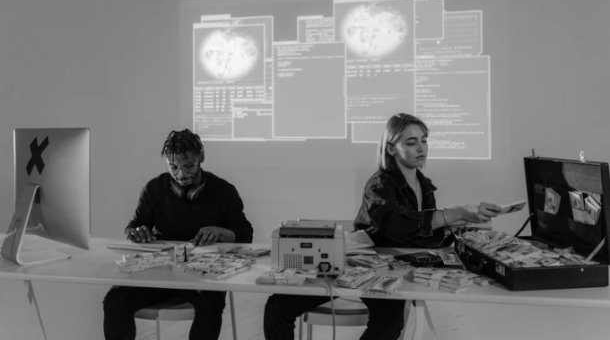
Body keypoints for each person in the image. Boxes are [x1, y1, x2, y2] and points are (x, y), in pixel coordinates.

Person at [263, 113, 500, 340]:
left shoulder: (424, 185)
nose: (421, 148)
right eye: (411, 142)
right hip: (357, 265)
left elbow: (419, 234)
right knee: (277, 308)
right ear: (391, 149)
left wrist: (454, 229)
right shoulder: (378, 186)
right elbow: (397, 225)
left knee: (389, 322)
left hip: (395, 269)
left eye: (424, 140)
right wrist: (454, 214)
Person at [103, 129, 253, 340]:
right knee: (115, 300)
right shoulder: (154, 188)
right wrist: (136, 232)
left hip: (203, 276)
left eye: (188, 166)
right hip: (160, 273)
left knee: (211, 304)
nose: (181, 174)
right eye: (173, 167)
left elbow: (245, 235)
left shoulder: (224, 190)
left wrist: (220, 231)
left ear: (201, 157)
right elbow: (134, 225)